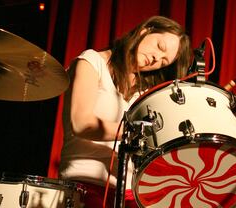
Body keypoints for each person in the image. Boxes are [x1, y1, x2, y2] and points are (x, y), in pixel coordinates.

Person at [58, 16, 192, 207]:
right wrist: (139, 131)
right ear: (145, 30)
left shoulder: (146, 93)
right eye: (159, 47)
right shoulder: (92, 61)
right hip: (83, 183)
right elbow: (82, 123)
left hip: (129, 192)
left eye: (163, 62)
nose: (156, 59)